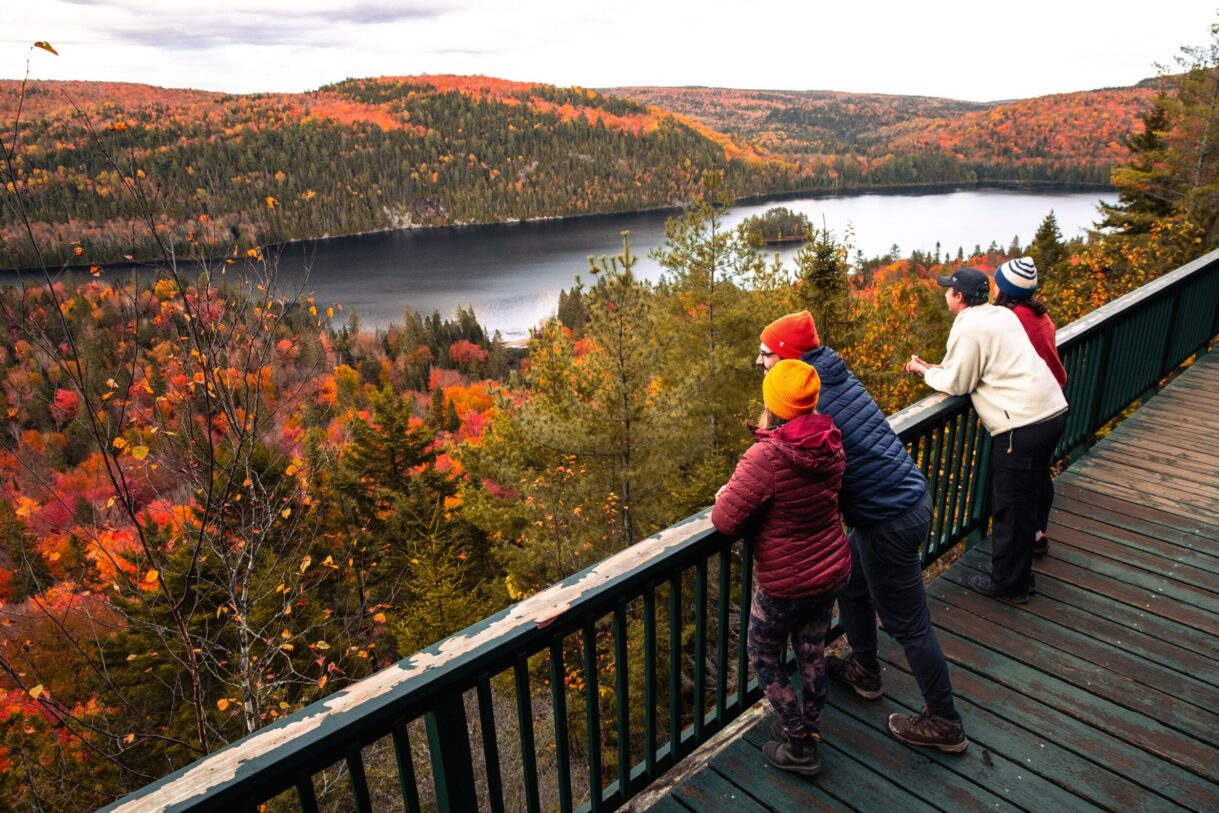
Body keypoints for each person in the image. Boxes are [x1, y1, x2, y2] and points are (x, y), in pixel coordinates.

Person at [757, 311, 968, 753]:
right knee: (852, 584)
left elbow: (781, 465)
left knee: (909, 624)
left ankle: (945, 721)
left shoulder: (815, 405)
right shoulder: (835, 378)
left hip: (889, 518)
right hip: (901, 504)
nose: (760, 363)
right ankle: (865, 670)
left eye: (766, 355)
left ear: (788, 358)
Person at [712, 359, 849, 776]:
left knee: (763, 653)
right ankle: (812, 725)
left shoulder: (766, 457)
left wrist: (725, 495)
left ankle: (797, 741)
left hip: (785, 584)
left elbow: (725, 521)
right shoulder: (830, 440)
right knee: (811, 651)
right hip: (829, 571)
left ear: (773, 403)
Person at [906, 267, 1068, 604]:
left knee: (1011, 507)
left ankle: (1010, 584)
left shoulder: (968, 328)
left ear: (959, 297)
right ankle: (1021, 574)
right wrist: (938, 368)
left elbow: (958, 383)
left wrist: (924, 372)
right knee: (1025, 501)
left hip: (1021, 426)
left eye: (949, 289)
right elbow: (979, 367)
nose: (946, 293)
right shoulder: (1002, 316)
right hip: (1052, 411)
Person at [993, 257, 1067, 556]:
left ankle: (1018, 556)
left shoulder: (1013, 319)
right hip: (1055, 402)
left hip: (1029, 410)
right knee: (1038, 475)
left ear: (1005, 289)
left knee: (1017, 489)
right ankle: (1038, 534)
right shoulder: (1039, 314)